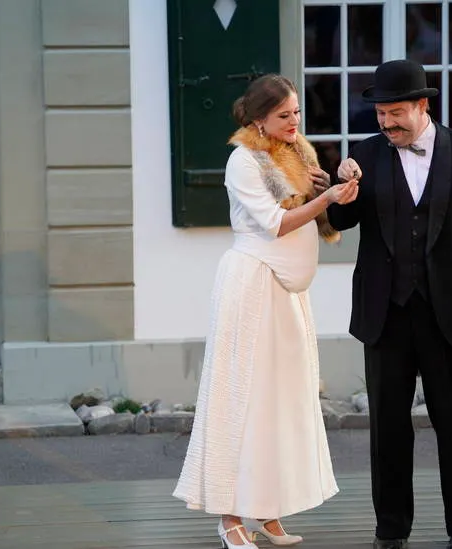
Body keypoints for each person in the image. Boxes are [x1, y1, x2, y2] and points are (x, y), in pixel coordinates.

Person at [327, 59, 452, 549]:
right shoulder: (364, 155)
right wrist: (341, 189)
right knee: (388, 429)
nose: (386, 123)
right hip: (383, 314)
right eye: (380, 114)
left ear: (422, 106)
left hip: (449, 311)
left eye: (395, 113)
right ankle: (391, 531)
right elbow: (341, 224)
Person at [173, 74, 359, 549]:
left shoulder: (297, 153)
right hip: (253, 286)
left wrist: (336, 189)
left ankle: (266, 506)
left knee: (282, 399)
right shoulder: (243, 160)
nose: (294, 121)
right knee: (244, 399)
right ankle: (229, 516)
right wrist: (325, 198)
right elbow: (275, 224)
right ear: (259, 119)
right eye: (283, 115)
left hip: (288, 293)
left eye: (297, 112)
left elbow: (318, 215)